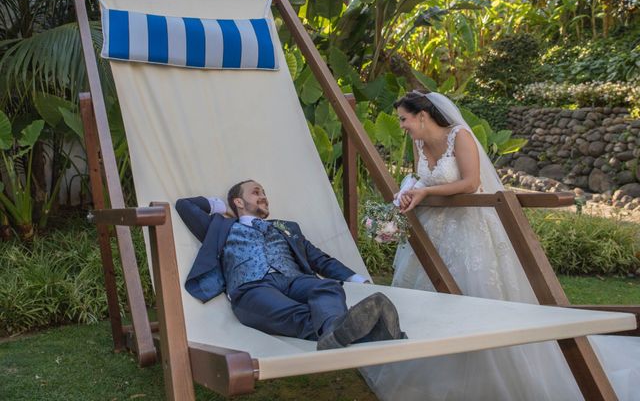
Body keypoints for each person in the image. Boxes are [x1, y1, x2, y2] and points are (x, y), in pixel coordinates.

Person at [362, 91, 640, 400]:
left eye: (404, 119)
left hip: (467, 227)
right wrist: (411, 191)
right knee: (427, 297)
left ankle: (487, 376)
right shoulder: (419, 144)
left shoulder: (460, 137)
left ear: (423, 116)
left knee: (473, 293)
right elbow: (423, 180)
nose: (402, 125)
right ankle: (432, 373)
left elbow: (470, 182)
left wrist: (427, 193)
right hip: (434, 230)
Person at [176, 179, 405, 350]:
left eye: (264, 192)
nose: (264, 196)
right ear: (238, 201)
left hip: (294, 280)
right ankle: (362, 333)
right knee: (295, 313)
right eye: (256, 192)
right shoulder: (221, 228)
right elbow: (184, 206)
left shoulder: (287, 228)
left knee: (327, 288)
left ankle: (335, 329)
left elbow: (319, 259)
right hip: (252, 288)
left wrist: (359, 280)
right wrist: (222, 209)